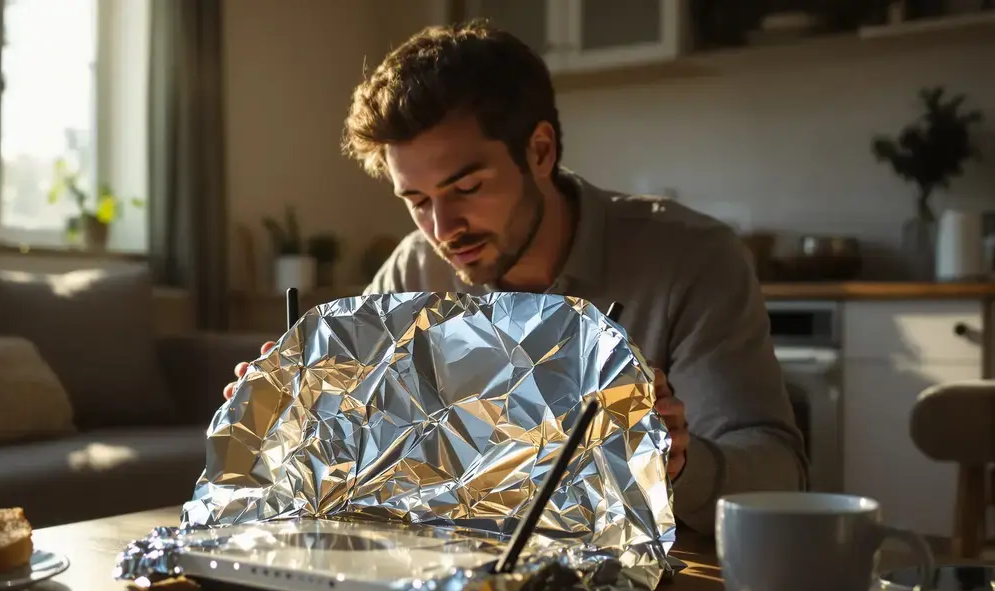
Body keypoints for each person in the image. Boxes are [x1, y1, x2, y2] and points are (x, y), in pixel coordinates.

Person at [224, 20, 806, 535]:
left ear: (541, 150)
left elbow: (779, 476)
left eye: (467, 188)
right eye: (417, 200)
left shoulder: (688, 260)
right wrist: (286, 419)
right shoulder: (415, 269)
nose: (443, 228)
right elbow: (356, 439)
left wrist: (680, 464)